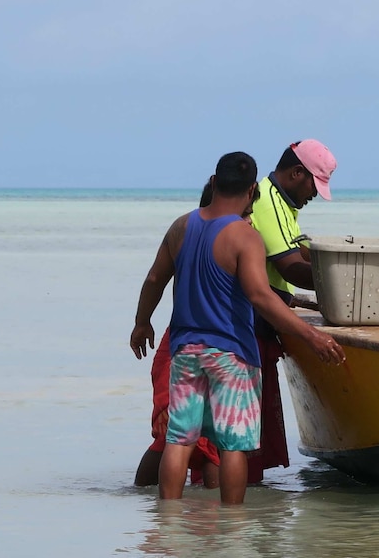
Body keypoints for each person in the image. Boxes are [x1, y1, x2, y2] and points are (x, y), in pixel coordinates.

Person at [129, 151, 345, 504]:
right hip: (232, 355)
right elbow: (261, 297)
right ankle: (232, 524)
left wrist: (141, 323)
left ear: (214, 182)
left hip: (185, 350)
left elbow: (155, 278)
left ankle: (167, 519)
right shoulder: (245, 237)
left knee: (179, 440)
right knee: (232, 445)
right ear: (250, 192)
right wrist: (312, 335)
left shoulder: (181, 226)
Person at [245, 139, 337, 470]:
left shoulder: (285, 206)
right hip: (252, 328)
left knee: (250, 432)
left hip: (266, 323)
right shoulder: (268, 202)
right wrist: (345, 283)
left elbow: (286, 263)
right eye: (315, 184)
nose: (314, 194)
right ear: (298, 173)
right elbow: (290, 268)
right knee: (241, 433)